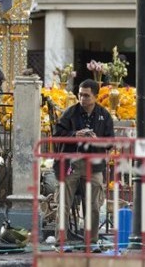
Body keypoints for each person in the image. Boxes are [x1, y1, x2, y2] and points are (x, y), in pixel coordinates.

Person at [53, 79, 114, 246]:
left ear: (95, 96)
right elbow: (56, 134)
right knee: (63, 202)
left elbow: (110, 142)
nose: (82, 98)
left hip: (93, 164)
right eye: (80, 95)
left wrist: (97, 140)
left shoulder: (104, 115)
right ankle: (61, 241)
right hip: (71, 162)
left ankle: (91, 241)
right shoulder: (70, 113)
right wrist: (74, 135)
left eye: (86, 95)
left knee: (94, 205)